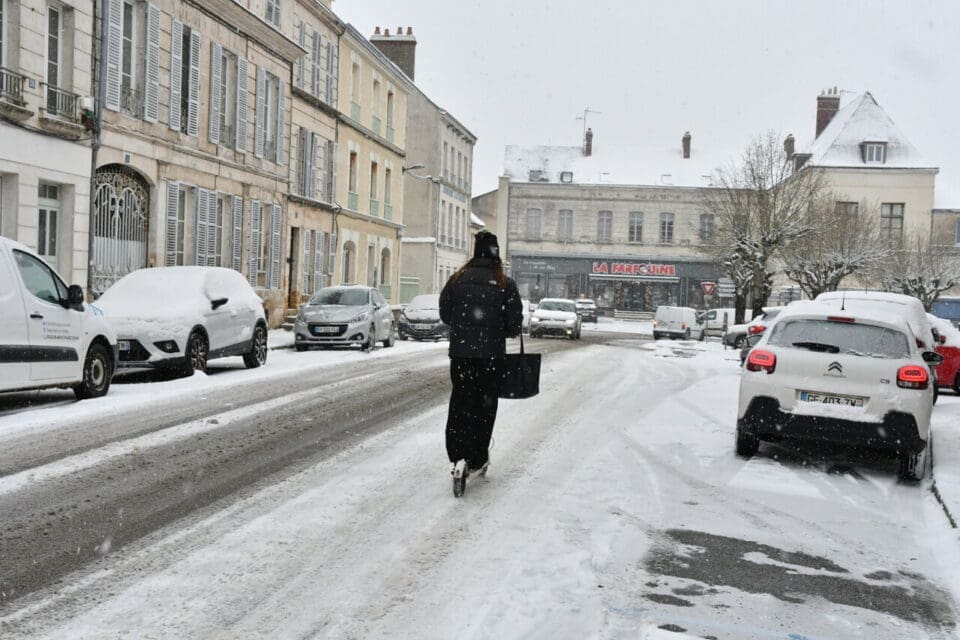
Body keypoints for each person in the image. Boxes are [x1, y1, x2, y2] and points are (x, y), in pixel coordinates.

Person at [439, 231, 523, 484]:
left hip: (461, 355)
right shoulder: (504, 284)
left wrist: (464, 327)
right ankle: (477, 457)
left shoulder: (456, 280)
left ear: (475, 252)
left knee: (460, 403)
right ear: (495, 253)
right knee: (484, 408)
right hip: (491, 358)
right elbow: (514, 325)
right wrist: (496, 330)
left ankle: (457, 456)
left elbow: (445, 314)